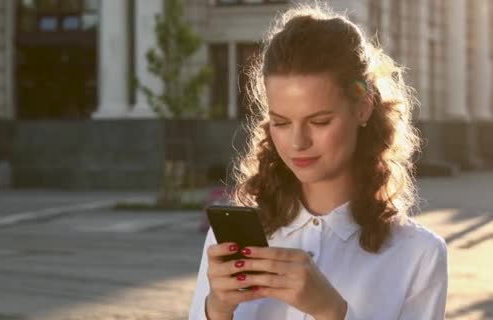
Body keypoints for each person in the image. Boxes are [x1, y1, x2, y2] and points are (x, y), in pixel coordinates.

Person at [189, 3, 447, 320]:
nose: (298, 142)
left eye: (320, 121)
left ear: (363, 108)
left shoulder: (418, 254)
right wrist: (216, 310)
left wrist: (331, 311)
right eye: (281, 123)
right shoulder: (229, 243)